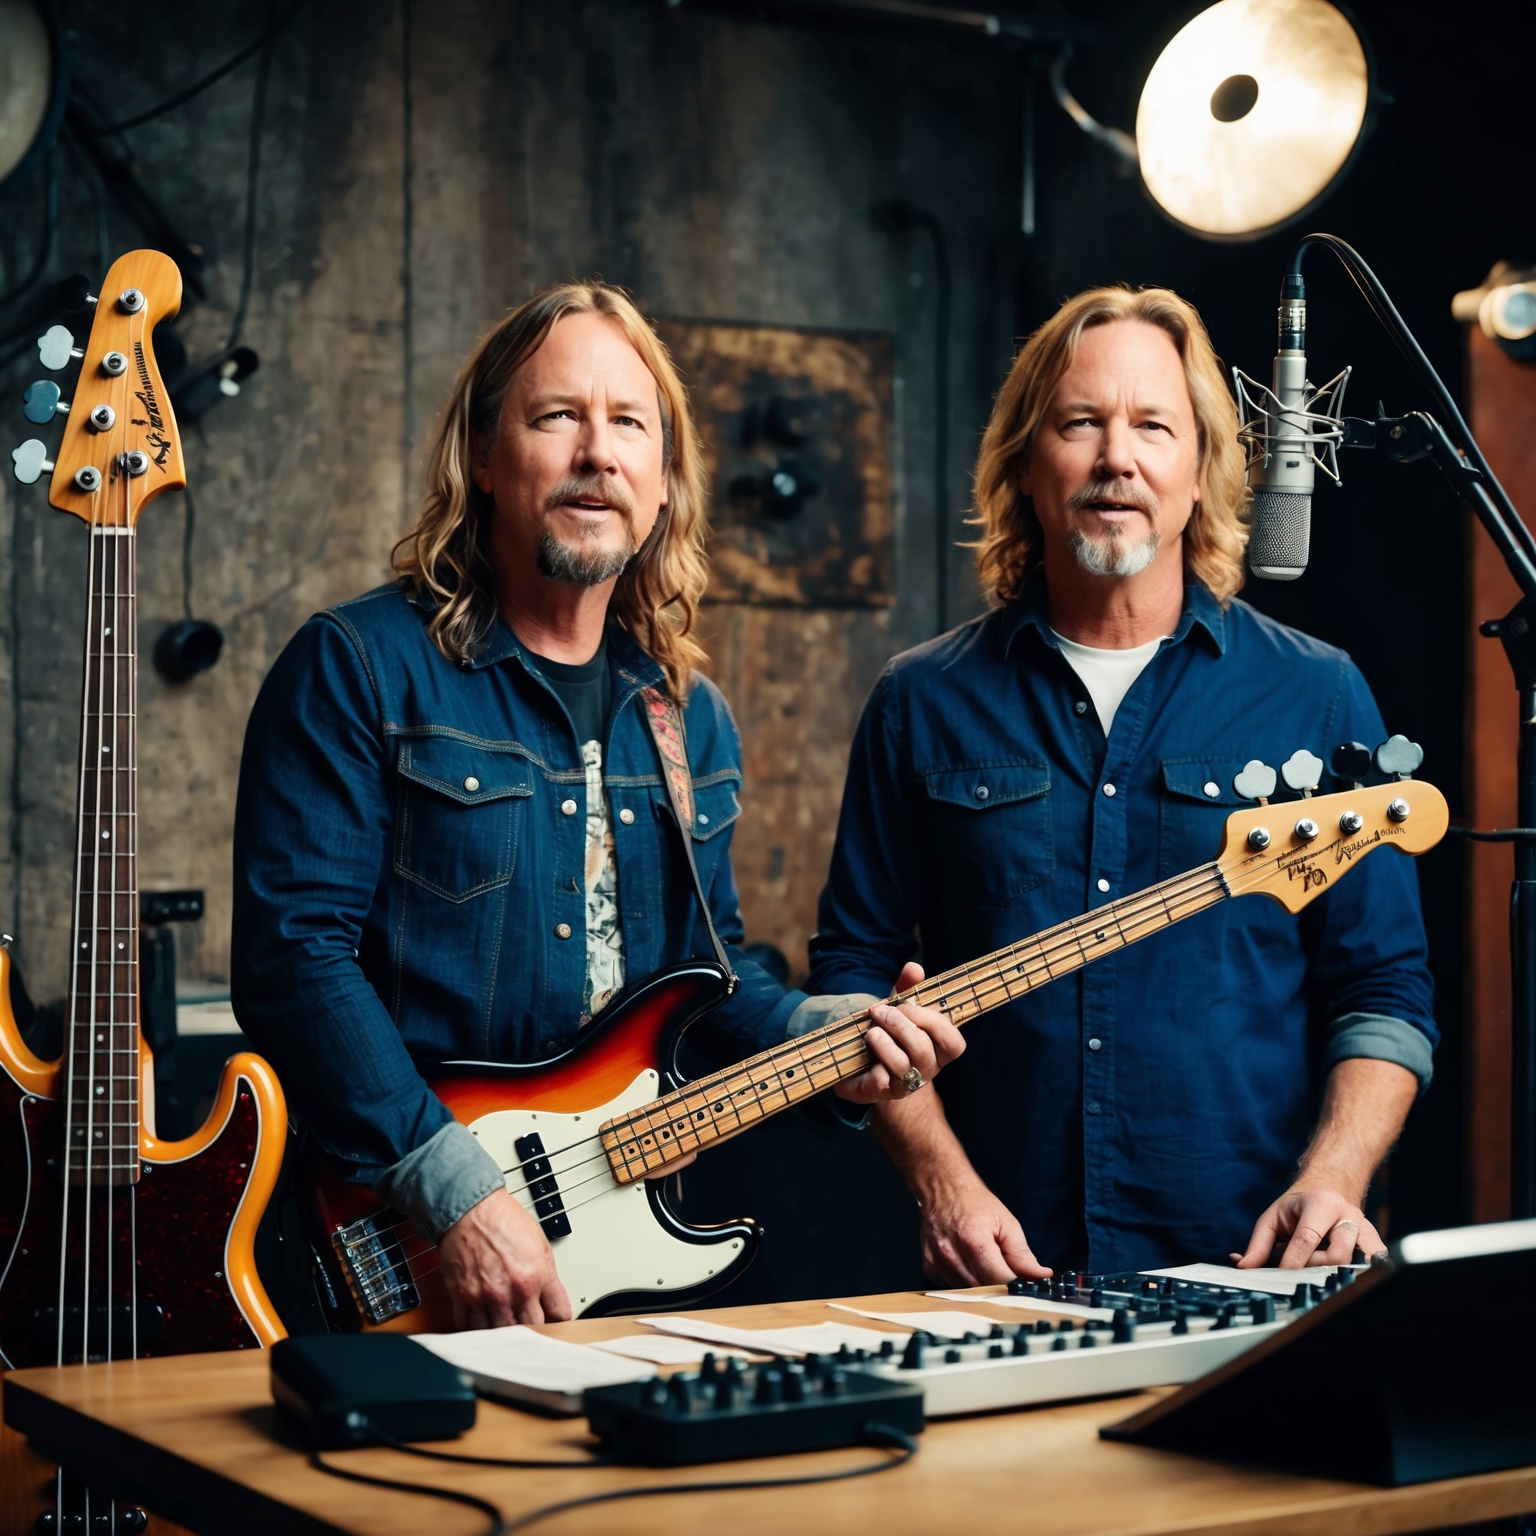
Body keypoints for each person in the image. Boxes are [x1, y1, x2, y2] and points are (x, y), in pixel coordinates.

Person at [232, 282, 960, 1329]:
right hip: (392, 1238)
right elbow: (294, 958)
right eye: (555, 416)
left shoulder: (687, 718)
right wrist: (457, 1191)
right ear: (482, 460)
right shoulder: (357, 667)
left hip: (605, 1245)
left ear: (663, 484)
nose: (597, 451)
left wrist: (815, 1031)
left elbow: (702, 983)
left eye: (630, 423)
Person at [808, 285, 1435, 1282]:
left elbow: (1383, 988)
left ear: (1202, 472)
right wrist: (943, 1185)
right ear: (1025, 464)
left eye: (1153, 425)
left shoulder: (1317, 694)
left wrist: (1338, 1176)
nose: (1117, 458)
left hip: (1249, 1271)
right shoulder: (919, 701)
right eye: (1080, 424)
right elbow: (851, 979)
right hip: (998, 1276)